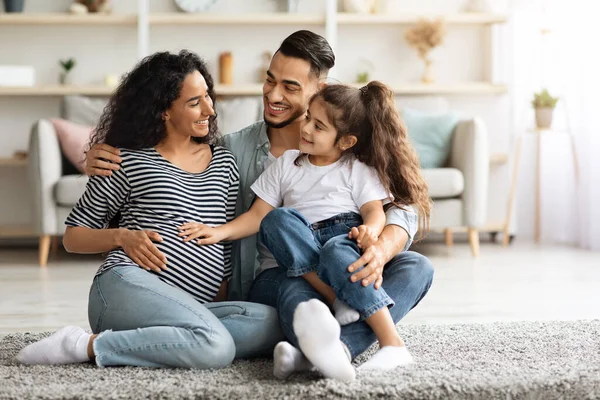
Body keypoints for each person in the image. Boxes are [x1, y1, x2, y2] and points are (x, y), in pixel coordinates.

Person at [84, 31, 434, 381]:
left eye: (291, 87)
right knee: (283, 242)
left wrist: (381, 248)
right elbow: (170, 147)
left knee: (416, 267)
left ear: (320, 88)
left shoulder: (347, 141)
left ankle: (336, 346)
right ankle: (339, 331)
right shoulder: (232, 149)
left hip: (346, 264)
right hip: (279, 279)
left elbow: (403, 206)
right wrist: (109, 151)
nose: (273, 95)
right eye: (270, 80)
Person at [16, 50, 283, 369]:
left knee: (273, 323)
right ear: (163, 112)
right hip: (124, 286)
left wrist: (214, 305)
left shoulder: (224, 162)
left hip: (194, 306)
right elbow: (73, 238)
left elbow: (222, 248)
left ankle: (176, 337)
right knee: (217, 347)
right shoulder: (125, 160)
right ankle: (84, 345)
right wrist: (121, 237)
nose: (210, 110)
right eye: (194, 102)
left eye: (208, 97)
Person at [178, 80, 431, 381]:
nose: (306, 129)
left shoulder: (357, 168)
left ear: (346, 141)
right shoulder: (287, 163)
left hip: (342, 256)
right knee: (279, 221)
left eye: (319, 126)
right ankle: (340, 300)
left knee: (416, 265)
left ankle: (336, 350)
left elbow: (374, 211)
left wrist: (371, 233)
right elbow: (258, 215)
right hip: (294, 267)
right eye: (308, 118)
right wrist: (220, 232)